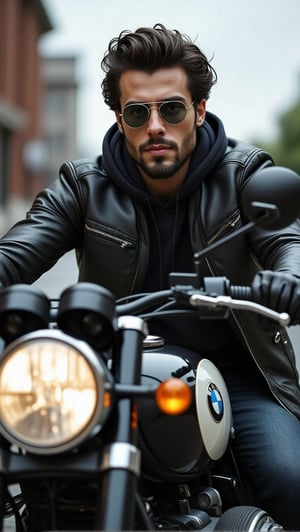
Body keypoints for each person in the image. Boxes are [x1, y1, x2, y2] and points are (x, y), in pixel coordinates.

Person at [1, 23, 300, 529]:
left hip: (234, 372)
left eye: (172, 109)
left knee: (288, 475)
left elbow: (286, 244)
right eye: (138, 113)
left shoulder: (243, 174)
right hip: (111, 373)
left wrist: (288, 281)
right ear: (121, 119)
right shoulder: (82, 186)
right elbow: (17, 252)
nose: (155, 126)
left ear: (199, 111)